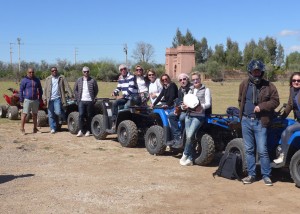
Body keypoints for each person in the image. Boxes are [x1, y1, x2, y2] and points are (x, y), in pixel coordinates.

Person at [238, 59, 279, 186]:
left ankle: (266, 175)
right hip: (246, 121)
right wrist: (244, 113)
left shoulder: (269, 86)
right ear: (250, 72)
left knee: (262, 150)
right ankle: (251, 175)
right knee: (249, 150)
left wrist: (262, 106)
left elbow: (275, 101)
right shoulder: (244, 84)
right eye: (254, 71)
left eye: (258, 71)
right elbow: (240, 100)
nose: (256, 74)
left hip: (260, 122)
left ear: (261, 72)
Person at [180, 72, 211, 166]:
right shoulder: (190, 90)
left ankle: (185, 154)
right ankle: (190, 158)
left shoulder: (206, 89)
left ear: (200, 79)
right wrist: (183, 107)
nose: (195, 81)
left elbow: (208, 103)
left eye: (197, 79)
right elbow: (186, 102)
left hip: (199, 116)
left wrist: (200, 106)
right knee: (190, 137)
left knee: (189, 136)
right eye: (193, 80)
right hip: (188, 115)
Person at [273, 72, 300, 164]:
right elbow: (289, 105)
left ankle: (283, 155)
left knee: (289, 129)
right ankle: (282, 153)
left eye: (298, 80)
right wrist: (282, 117)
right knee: (284, 133)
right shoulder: (292, 90)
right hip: (299, 121)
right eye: (294, 80)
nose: (296, 82)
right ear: (291, 81)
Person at [106, 64, 139, 133]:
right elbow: (118, 88)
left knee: (126, 107)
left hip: (133, 97)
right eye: (121, 70)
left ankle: (127, 125)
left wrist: (122, 96)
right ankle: (114, 122)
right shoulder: (121, 79)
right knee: (115, 103)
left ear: (127, 69)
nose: (123, 70)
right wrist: (114, 92)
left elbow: (131, 89)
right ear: (120, 71)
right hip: (126, 98)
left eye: (124, 69)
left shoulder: (131, 77)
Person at [43, 66, 74, 134]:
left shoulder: (61, 77)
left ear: (57, 71)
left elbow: (67, 86)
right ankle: (53, 128)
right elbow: (45, 89)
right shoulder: (48, 79)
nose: (54, 72)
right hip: (49, 99)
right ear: (51, 72)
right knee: (50, 114)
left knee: (58, 112)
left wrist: (71, 95)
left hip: (58, 98)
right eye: (53, 71)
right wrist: (44, 98)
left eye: (55, 70)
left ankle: (64, 117)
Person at [167, 73, 192, 147]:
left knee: (182, 118)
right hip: (182, 109)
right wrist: (177, 108)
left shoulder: (191, 88)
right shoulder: (180, 89)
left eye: (184, 79)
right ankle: (177, 137)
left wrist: (181, 107)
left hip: (190, 110)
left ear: (187, 79)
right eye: (180, 80)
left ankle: (185, 138)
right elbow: (179, 101)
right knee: (171, 115)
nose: (182, 81)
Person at [74, 66, 99, 137]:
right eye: (85, 71)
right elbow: (75, 89)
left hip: (89, 101)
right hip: (81, 101)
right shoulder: (79, 80)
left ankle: (88, 130)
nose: (86, 73)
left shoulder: (92, 80)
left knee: (89, 116)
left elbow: (96, 90)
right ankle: (81, 130)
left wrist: (93, 98)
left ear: (89, 72)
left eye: (87, 71)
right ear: (82, 72)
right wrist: (78, 97)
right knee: (81, 115)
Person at [19, 68, 43, 135]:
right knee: (24, 114)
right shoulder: (24, 80)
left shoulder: (37, 80)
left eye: (32, 72)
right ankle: (22, 129)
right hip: (27, 99)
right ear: (27, 72)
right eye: (30, 72)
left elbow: (40, 89)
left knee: (35, 115)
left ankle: (35, 129)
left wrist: (40, 98)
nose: (31, 73)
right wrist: (21, 99)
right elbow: (21, 90)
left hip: (35, 100)